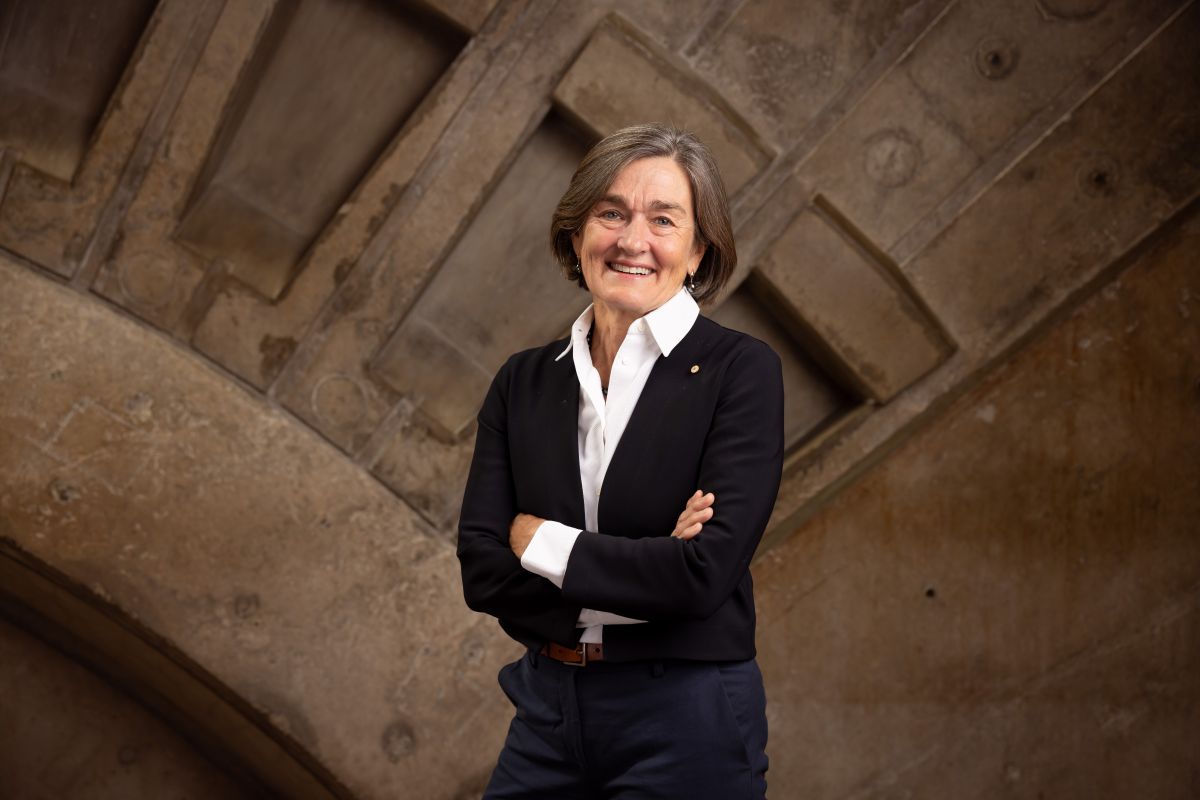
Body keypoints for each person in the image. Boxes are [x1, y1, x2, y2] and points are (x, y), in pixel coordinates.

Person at [457, 123, 783, 799]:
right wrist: (646, 564)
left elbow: (701, 576)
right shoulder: (523, 381)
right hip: (549, 703)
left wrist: (539, 539)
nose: (632, 241)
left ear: (698, 250)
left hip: (685, 712)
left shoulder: (739, 373)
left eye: (663, 220)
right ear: (577, 235)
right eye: (611, 213)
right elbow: (484, 569)